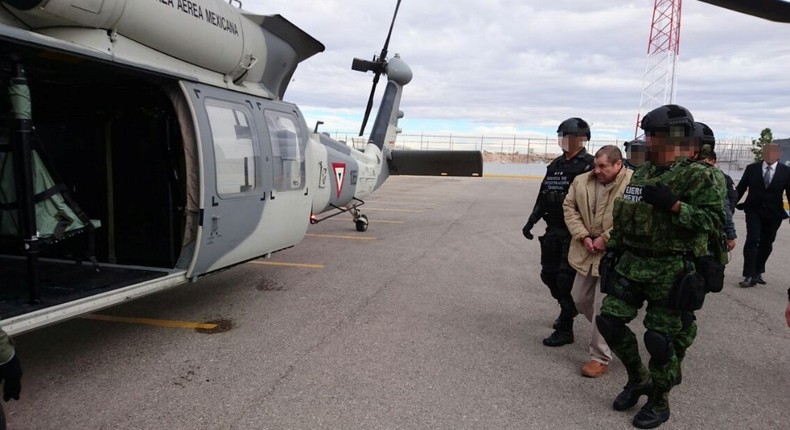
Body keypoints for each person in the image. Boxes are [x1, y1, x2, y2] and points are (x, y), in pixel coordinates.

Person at [595, 104, 724, 429]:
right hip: (633, 263)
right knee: (609, 322)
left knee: (659, 340)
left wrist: (676, 206)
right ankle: (638, 379)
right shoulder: (644, 172)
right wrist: (613, 250)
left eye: (652, 135)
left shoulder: (700, 175)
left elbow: (713, 221)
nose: (647, 141)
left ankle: (659, 401)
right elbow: (628, 215)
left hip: (672, 269)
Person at [523, 117, 594, 347]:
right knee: (548, 275)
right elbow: (543, 195)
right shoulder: (555, 166)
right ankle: (568, 308)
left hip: (574, 232)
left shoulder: (590, 166)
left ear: (582, 139)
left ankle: (565, 327)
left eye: (570, 137)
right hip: (553, 229)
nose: (564, 141)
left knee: (565, 279)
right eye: (562, 137)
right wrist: (531, 220)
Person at [563, 145, 633, 378]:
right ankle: (612, 330)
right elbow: (569, 207)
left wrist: (606, 238)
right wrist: (582, 235)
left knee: (602, 306)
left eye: (603, 166)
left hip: (614, 255)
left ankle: (599, 356)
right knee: (580, 299)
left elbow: (632, 215)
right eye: (595, 165)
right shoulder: (581, 181)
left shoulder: (633, 184)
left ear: (618, 164)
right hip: (586, 251)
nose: (597, 170)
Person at [734, 143, 790, 287]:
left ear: (779, 154)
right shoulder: (752, 169)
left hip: (774, 213)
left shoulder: (786, 171)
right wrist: (731, 205)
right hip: (754, 210)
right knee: (752, 239)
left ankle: (758, 271)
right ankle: (748, 275)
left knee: (767, 243)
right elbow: (740, 188)